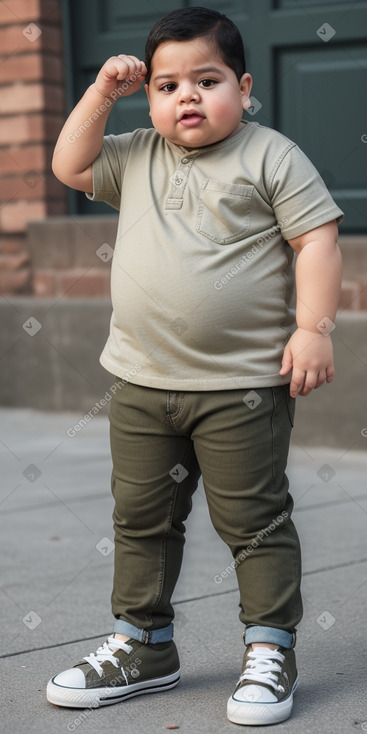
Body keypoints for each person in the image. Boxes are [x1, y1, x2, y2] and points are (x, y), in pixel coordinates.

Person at [46, 6, 343, 726]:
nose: (186, 97)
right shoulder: (136, 153)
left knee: (256, 523)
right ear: (149, 99)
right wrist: (99, 95)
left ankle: (269, 647)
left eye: (205, 81)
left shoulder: (270, 155)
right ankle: (144, 644)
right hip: (142, 385)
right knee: (141, 520)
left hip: (240, 390)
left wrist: (313, 328)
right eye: (168, 84)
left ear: (242, 88)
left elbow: (316, 240)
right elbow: (67, 165)